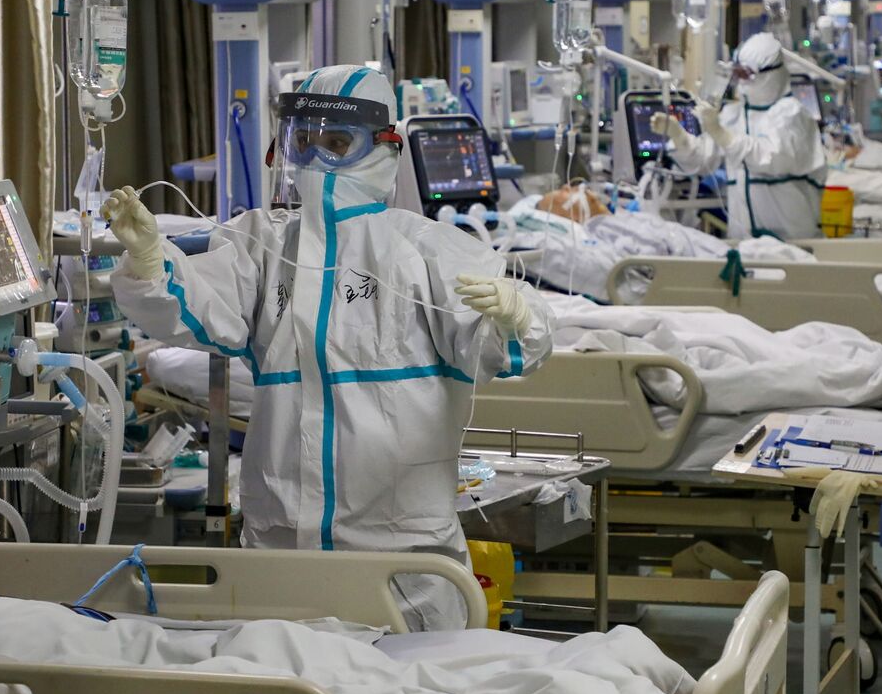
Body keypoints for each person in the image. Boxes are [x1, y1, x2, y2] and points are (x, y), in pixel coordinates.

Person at [104, 65, 553, 630]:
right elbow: (194, 310)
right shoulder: (262, 246)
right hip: (282, 547)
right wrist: (151, 262)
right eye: (303, 141)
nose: (316, 161)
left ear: (382, 147)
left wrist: (517, 317)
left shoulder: (429, 252)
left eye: (337, 143)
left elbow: (501, 351)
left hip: (399, 555)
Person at [652, 32, 828, 241]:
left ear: (771, 74)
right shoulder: (733, 115)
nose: (741, 82)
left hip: (793, 239)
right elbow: (703, 160)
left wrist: (722, 135)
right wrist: (679, 136)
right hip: (744, 241)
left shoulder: (792, 114)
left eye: (747, 75)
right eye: (738, 74)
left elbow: (773, 158)